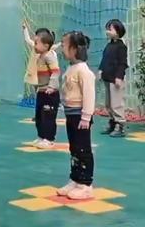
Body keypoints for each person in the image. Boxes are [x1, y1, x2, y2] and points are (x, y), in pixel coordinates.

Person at [58, 31, 95, 200]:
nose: (61, 48)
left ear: (74, 49)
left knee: (83, 149)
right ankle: (75, 179)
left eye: (63, 45)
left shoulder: (83, 71)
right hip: (71, 115)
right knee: (74, 149)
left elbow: (89, 95)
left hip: (81, 117)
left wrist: (86, 117)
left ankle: (85, 184)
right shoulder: (70, 68)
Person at [23, 24, 61, 148]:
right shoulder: (40, 56)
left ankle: (49, 139)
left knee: (48, 115)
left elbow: (55, 72)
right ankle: (41, 136)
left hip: (50, 93)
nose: (34, 46)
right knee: (39, 115)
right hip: (41, 90)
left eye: (36, 43)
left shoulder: (50, 56)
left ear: (45, 46)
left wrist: (51, 86)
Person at [98, 19, 128, 138]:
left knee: (116, 103)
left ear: (118, 31)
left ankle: (119, 125)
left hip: (115, 80)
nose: (107, 31)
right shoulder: (109, 45)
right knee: (109, 103)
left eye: (110, 29)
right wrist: (100, 70)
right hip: (107, 77)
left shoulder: (121, 47)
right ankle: (112, 122)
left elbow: (122, 63)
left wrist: (119, 77)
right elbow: (104, 59)